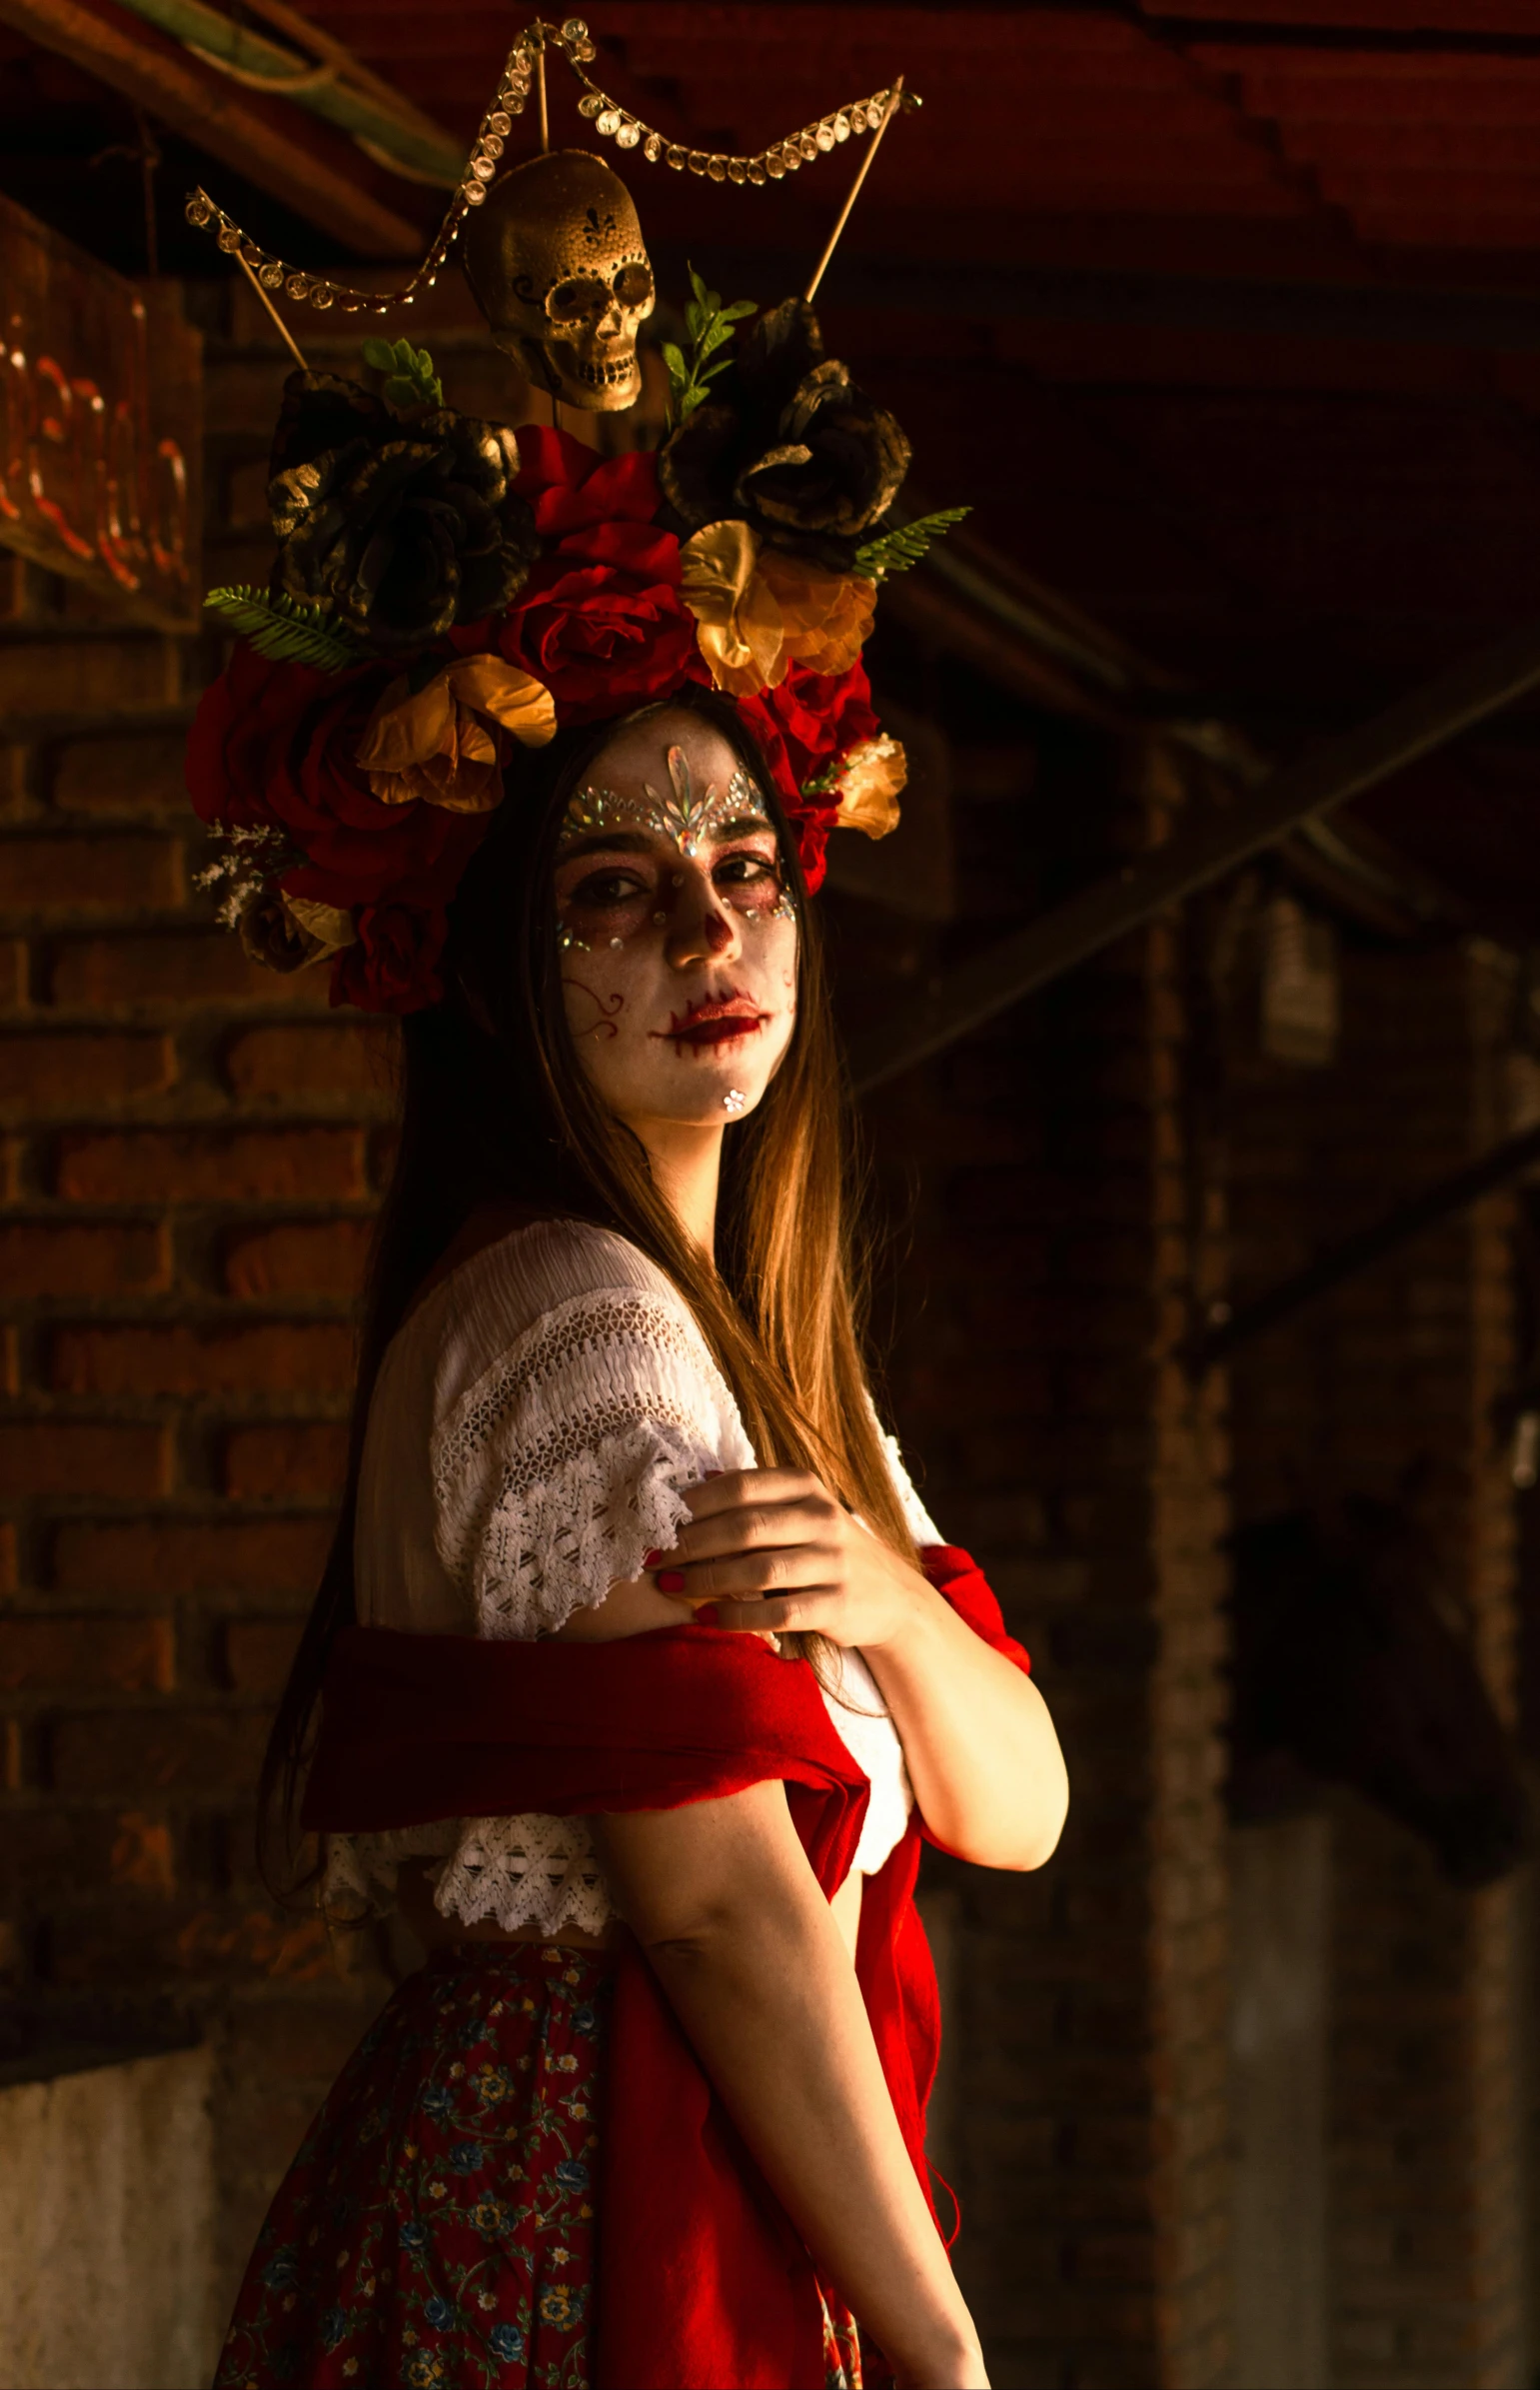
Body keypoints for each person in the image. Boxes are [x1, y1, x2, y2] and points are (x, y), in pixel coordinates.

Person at [191, 288, 1067, 2390]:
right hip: (588, 2190)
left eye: (739, 863)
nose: (701, 930)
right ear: (500, 963)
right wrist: (941, 2344)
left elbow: (1017, 1800)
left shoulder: (746, 1339)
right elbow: (719, 1906)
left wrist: (880, 1585)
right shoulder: (587, 1331)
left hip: (690, 2154)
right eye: (607, 888)